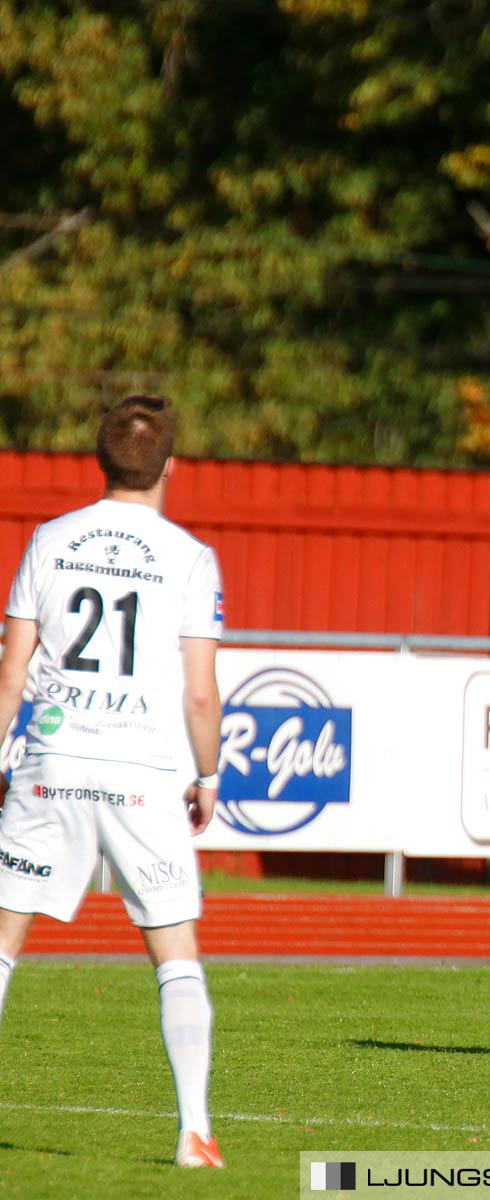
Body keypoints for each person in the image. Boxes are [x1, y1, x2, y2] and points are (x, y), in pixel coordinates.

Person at [0, 394, 225, 1169]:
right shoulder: (190, 557)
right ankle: (194, 1131)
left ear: (100, 461)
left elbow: (10, 675)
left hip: (52, 766)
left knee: (1, 944)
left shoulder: (49, 540)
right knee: (176, 954)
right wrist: (209, 775)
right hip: (141, 774)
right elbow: (200, 693)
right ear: (170, 466)